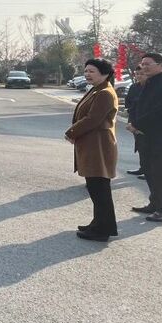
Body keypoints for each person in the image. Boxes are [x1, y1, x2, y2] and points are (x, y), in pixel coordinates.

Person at [65, 58, 120, 242]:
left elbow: (92, 119)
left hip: (99, 146)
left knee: (99, 188)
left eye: (92, 71)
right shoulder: (97, 89)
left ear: (104, 73)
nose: (87, 74)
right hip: (93, 143)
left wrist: (71, 132)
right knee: (95, 187)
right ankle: (98, 223)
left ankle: (102, 229)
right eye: (86, 70)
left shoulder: (104, 93)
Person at [128, 52, 162, 223]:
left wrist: (137, 124)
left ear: (161, 65)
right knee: (149, 172)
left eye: (148, 63)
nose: (144, 66)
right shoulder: (146, 84)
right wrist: (133, 123)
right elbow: (136, 106)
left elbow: (160, 112)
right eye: (143, 63)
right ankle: (154, 203)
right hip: (144, 136)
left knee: (161, 174)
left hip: (160, 137)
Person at [123, 66, 146, 177]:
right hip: (134, 119)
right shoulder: (133, 87)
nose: (139, 76)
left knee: (148, 147)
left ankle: (150, 170)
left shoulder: (150, 88)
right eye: (137, 74)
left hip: (145, 121)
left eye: (142, 74)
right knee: (139, 145)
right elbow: (128, 102)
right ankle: (143, 167)